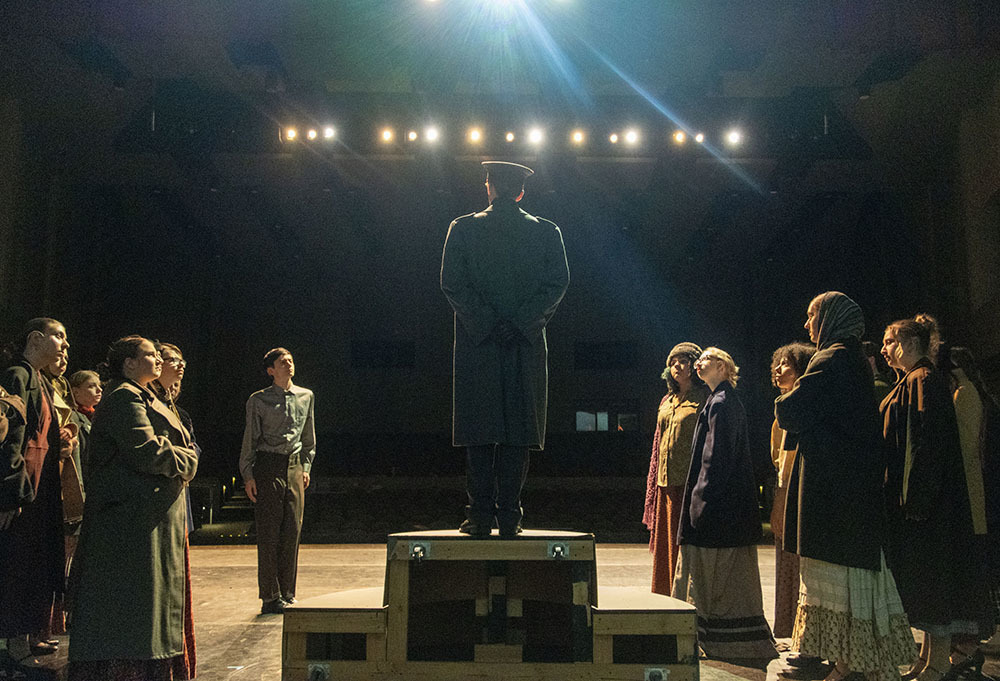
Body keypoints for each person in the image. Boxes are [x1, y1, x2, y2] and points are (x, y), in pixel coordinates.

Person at [775, 292, 915, 681]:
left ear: (831, 317)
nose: (807, 325)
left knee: (839, 580)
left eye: (812, 314)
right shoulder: (851, 358)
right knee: (851, 583)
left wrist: (786, 399)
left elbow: (794, 410)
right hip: (851, 492)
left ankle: (849, 665)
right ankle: (847, 663)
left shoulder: (832, 358)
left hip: (834, 496)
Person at [440, 160, 569, 537]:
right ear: (521, 192)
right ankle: (510, 516)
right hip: (524, 345)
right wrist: (521, 324)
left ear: (489, 187)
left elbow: (452, 284)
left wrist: (486, 324)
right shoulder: (548, 232)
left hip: (478, 344)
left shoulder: (461, 228)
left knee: (480, 431)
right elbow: (557, 284)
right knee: (518, 431)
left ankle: (479, 515)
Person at [68, 336, 198, 681]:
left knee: (150, 608)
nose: (158, 359)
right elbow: (148, 449)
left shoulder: (145, 396)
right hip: (129, 521)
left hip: (146, 518)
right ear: (129, 364)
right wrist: (188, 461)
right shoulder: (125, 397)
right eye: (150, 355)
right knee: (133, 610)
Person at [880, 316, 993, 681]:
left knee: (933, 580)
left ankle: (939, 662)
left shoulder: (923, 381)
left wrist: (917, 499)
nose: (883, 349)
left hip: (928, 506)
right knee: (926, 581)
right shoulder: (912, 380)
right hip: (922, 503)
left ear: (908, 344)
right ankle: (928, 659)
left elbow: (925, 444)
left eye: (889, 341)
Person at [672, 347, 778, 660]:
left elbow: (715, 457)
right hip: (726, 509)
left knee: (712, 573)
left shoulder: (722, 403)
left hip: (719, 511)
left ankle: (718, 638)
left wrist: (700, 500)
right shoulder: (720, 400)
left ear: (721, 365)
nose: (698, 363)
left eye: (704, 359)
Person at [0, 318, 69, 673]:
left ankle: (26, 636)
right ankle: (12, 645)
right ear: (35, 338)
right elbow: (9, 437)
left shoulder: (40, 380)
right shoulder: (18, 375)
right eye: (58, 336)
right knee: (17, 564)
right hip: (23, 488)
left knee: (34, 561)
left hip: (39, 488)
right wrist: (11, 492)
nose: (62, 343)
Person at [239, 347, 316, 614]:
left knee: (292, 531)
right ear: (271, 370)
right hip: (268, 464)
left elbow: (309, 439)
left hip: (294, 466)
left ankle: (288, 591)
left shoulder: (306, 396)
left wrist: (305, 466)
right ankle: (270, 596)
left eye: (291, 361)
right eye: (282, 362)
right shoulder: (258, 400)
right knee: (269, 532)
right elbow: (249, 439)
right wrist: (248, 474)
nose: (288, 365)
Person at [642, 342, 707, 595]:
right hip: (665, 482)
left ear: (694, 365)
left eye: (682, 361)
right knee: (665, 545)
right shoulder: (667, 400)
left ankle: (684, 596)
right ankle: (664, 593)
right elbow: (659, 441)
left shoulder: (703, 398)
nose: (676, 366)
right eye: (672, 362)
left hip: (688, 482)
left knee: (684, 545)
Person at [767, 342, 815, 646]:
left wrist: (783, 499)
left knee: (799, 568)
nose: (778, 370)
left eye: (786, 364)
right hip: (786, 489)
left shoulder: (802, 406)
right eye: (777, 364)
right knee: (786, 565)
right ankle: (791, 632)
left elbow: (791, 461)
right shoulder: (783, 406)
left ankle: (804, 636)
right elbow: (779, 460)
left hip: (798, 494)